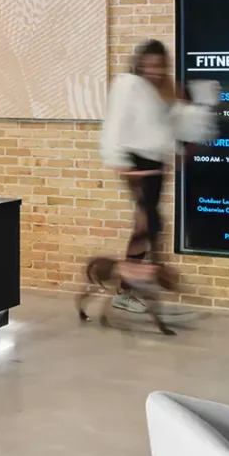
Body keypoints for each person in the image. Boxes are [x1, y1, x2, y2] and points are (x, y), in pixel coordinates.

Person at [100, 40, 183, 307]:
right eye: (149, 65)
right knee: (148, 225)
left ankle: (131, 289)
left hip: (157, 164)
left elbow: (163, 127)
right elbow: (114, 124)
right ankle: (126, 289)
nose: (155, 71)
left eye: (160, 66)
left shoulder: (163, 89)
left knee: (147, 226)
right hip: (136, 164)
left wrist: (173, 153)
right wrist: (119, 160)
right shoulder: (127, 85)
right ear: (140, 63)